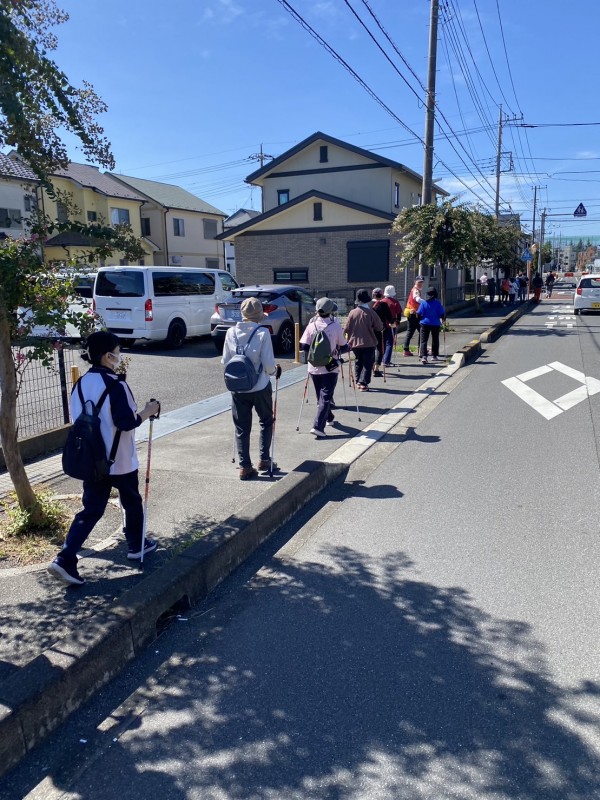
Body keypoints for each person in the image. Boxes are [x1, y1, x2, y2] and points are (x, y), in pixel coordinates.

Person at [47, 332, 161, 586]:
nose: (119, 355)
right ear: (108, 356)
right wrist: (149, 410)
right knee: (131, 501)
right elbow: (127, 422)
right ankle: (137, 545)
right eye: (117, 351)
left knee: (91, 509)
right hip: (119, 459)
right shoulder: (116, 385)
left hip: (92, 459)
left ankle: (65, 557)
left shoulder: (80, 383)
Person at [222, 297, 281, 480]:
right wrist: (275, 372)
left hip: (238, 387)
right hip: (260, 386)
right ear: (260, 315)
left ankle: (244, 466)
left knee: (241, 427)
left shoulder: (230, 332)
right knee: (266, 421)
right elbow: (269, 365)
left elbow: (225, 361)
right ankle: (264, 459)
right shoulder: (262, 333)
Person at [299, 297, 348, 438]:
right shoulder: (335, 326)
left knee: (321, 395)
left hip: (314, 367)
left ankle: (329, 417)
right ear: (330, 311)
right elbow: (344, 346)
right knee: (326, 396)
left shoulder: (311, 325)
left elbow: (304, 346)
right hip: (330, 366)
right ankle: (318, 427)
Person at [344, 288, 383, 391]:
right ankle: (363, 382)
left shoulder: (352, 312)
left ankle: (358, 381)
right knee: (367, 363)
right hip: (369, 342)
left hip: (355, 343)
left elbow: (346, 328)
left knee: (358, 361)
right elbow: (379, 327)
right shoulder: (371, 313)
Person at [417, 288, 446, 364]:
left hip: (424, 323)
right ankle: (434, 356)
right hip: (435, 323)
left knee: (423, 340)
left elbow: (419, 313)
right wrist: (443, 320)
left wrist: (419, 320)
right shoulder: (437, 303)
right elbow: (442, 314)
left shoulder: (423, 303)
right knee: (435, 339)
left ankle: (424, 357)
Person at [371, 287, 394, 376]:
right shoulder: (383, 305)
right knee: (380, 349)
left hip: (369, 329)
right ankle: (376, 369)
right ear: (382, 295)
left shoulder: (369, 304)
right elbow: (389, 317)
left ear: (373, 295)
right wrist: (392, 323)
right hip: (379, 330)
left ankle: (371, 365)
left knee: (371, 348)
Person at [380, 285, 403, 366]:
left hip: (381, 325)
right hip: (392, 324)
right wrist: (397, 322)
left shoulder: (381, 301)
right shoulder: (395, 302)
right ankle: (386, 361)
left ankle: (381, 359)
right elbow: (399, 314)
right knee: (389, 343)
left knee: (382, 343)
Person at [403, 275, 424, 356]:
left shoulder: (415, 289)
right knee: (422, 331)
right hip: (415, 314)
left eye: (421, 282)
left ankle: (406, 349)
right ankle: (421, 349)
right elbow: (417, 298)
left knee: (410, 332)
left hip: (411, 313)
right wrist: (425, 303)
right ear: (415, 281)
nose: (420, 284)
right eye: (419, 282)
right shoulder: (416, 290)